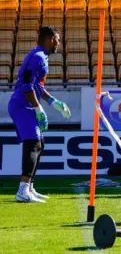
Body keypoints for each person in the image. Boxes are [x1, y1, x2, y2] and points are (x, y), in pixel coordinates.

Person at [8, 26, 71, 203]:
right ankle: (22, 190)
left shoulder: (40, 55)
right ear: (50, 39)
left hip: (26, 104)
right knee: (33, 143)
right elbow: (27, 86)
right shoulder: (37, 57)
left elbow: (38, 87)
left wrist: (53, 102)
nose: (58, 43)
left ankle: (29, 188)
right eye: (57, 40)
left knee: (39, 143)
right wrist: (38, 108)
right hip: (22, 105)